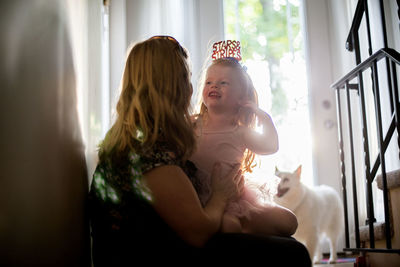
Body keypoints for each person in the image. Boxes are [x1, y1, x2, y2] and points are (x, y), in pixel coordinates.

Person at [88, 35, 311, 266]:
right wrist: (221, 195)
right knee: (293, 253)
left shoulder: (145, 137)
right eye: (188, 78)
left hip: (163, 244)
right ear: (170, 86)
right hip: (150, 255)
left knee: (286, 229)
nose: (192, 87)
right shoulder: (147, 151)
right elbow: (200, 231)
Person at [189, 55, 298, 236]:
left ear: (241, 98)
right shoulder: (191, 125)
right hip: (197, 194)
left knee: (289, 221)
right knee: (229, 227)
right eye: (209, 82)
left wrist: (263, 116)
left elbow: (271, 146)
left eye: (223, 83)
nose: (214, 86)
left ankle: (241, 224)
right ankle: (235, 226)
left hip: (233, 198)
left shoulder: (240, 132)